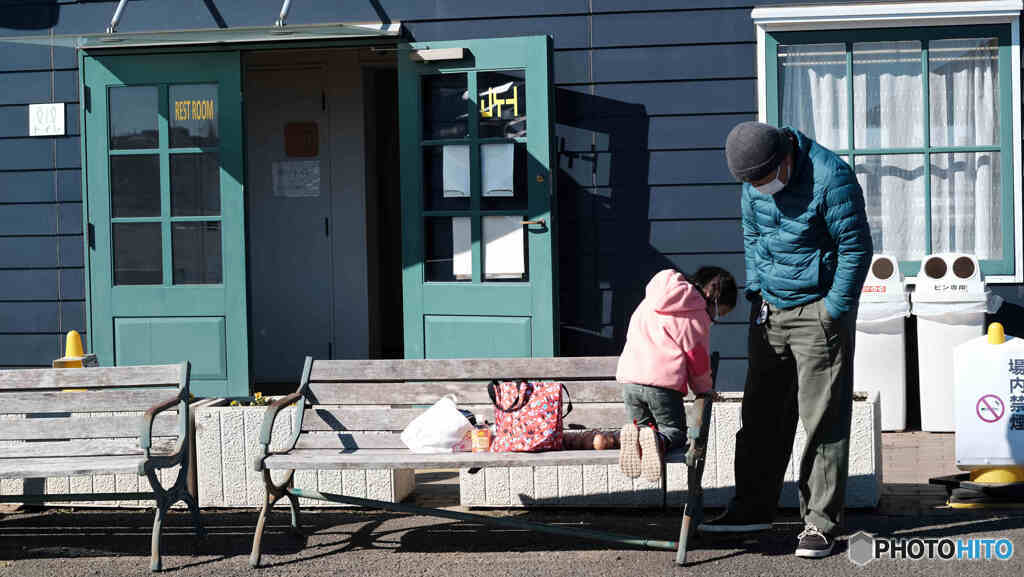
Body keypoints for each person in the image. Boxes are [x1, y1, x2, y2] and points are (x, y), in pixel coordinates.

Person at [698, 121, 872, 559]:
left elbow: (856, 248)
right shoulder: (753, 180)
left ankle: (819, 523)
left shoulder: (832, 177)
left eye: (765, 178)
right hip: (769, 310)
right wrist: (756, 293)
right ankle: (752, 506)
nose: (761, 188)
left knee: (822, 421)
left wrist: (833, 310)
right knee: (759, 414)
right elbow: (752, 237)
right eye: (752, 183)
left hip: (818, 310)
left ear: (785, 158)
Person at [615, 266, 737, 483]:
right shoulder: (696, 315)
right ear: (712, 294)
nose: (713, 319)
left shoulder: (655, 295)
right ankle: (660, 441)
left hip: (630, 381)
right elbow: (697, 360)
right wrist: (704, 390)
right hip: (661, 385)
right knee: (675, 433)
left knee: (643, 432)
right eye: (718, 313)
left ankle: (636, 436)